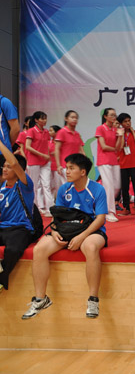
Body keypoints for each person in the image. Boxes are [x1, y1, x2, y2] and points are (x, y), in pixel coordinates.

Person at [22, 153, 108, 319]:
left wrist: (81, 237)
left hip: (90, 230)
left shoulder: (97, 189)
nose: (66, 171)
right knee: (39, 249)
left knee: (90, 247)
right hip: (66, 229)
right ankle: (40, 299)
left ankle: (93, 299)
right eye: (67, 168)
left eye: (71, 168)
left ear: (83, 172)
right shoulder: (64, 189)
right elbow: (57, 215)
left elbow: (100, 219)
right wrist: (54, 231)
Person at [0, 140, 35, 292]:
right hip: (3, 227)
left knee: (13, 250)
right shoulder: (2, 187)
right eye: (4, 166)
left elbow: (15, 163)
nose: (4, 169)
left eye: (8, 167)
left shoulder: (25, 185)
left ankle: (2, 278)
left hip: (20, 228)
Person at [96, 108, 124, 222]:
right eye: (111, 115)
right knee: (109, 186)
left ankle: (99, 205)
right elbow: (103, 146)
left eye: (115, 115)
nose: (114, 117)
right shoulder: (100, 128)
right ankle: (108, 211)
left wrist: (120, 136)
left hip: (114, 160)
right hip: (103, 160)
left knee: (116, 186)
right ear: (105, 116)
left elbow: (119, 147)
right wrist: (114, 149)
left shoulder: (115, 129)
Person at [26, 111, 53, 217]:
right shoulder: (31, 131)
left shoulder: (46, 132)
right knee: (34, 185)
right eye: (42, 118)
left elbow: (47, 145)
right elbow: (27, 146)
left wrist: (47, 155)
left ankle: (50, 209)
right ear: (36, 120)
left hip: (45, 162)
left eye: (45, 118)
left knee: (46, 185)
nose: (44, 120)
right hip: (34, 161)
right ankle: (35, 208)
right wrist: (42, 154)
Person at [116, 113, 135, 215]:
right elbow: (120, 146)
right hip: (123, 164)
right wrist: (121, 134)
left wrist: (132, 131)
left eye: (129, 121)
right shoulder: (118, 134)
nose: (128, 123)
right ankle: (126, 208)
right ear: (121, 123)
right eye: (125, 121)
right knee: (125, 187)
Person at [54, 110, 85, 186]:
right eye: (72, 117)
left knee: (76, 186)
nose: (74, 119)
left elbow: (81, 150)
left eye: (76, 118)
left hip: (76, 165)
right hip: (65, 165)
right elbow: (57, 149)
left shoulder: (77, 134)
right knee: (68, 186)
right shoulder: (62, 132)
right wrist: (58, 165)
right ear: (66, 119)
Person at [48, 125, 61, 197]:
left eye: (51, 131)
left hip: (58, 166)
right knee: (50, 184)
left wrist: (56, 153)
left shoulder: (60, 142)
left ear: (57, 132)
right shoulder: (49, 142)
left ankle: (59, 200)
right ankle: (51, 200)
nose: (49, 132)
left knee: (58, 184)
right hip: (49, 166)